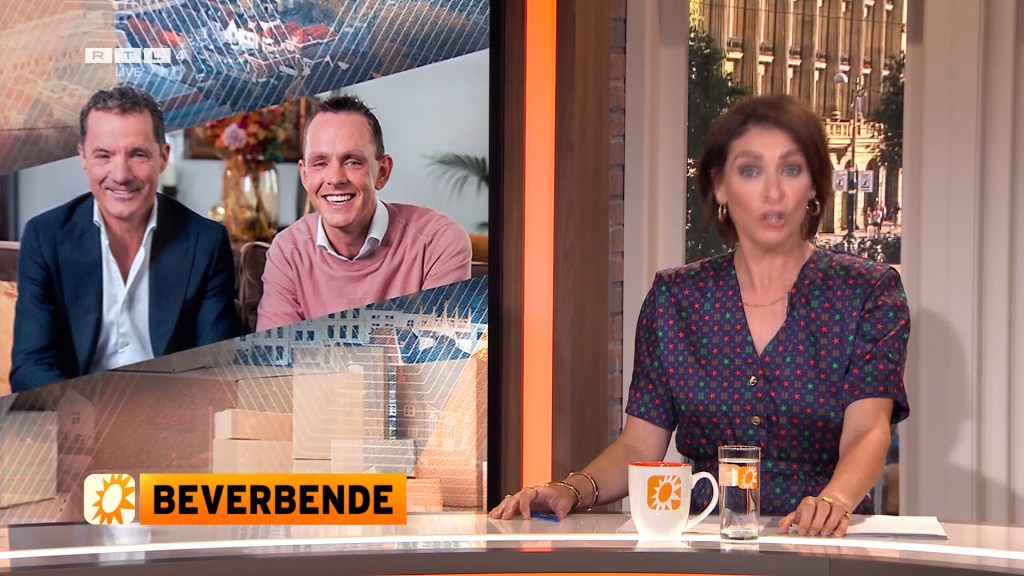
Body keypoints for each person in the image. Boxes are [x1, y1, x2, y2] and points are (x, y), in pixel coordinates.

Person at [490, 94, 910, 539]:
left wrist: (834, 501)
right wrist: (570, 490)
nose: (773, 192)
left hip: (822, 540)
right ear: (720, 187)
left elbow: (867, 430)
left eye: (791, 169)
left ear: (813, 186)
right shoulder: (676, 298)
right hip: (706, 540)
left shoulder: (867, 292)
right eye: (751, 171)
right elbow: (639, 444)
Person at [11, 86, 240, 392]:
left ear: (163, 157)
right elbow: (30, 367)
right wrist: (83, 410)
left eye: (138, 154)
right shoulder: (45, 238)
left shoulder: (206, 243)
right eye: (103, 155)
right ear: (83, 157)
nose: (120, 175)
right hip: (74, 409)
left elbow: (216, 369)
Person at [256, 95, 472, 331]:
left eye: (352, 162)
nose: (335, 179)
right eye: (320, 163)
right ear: (305, 175)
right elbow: (273, 354)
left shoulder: (437, 243)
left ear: (382, 172)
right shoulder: (287, 252)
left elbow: (441, 351)